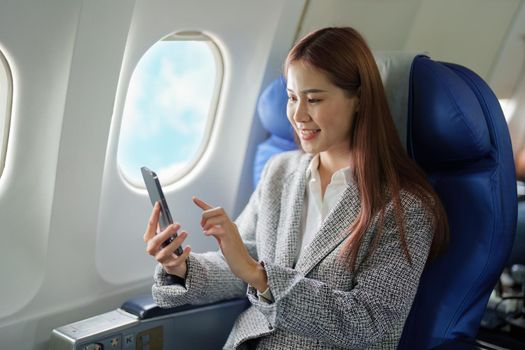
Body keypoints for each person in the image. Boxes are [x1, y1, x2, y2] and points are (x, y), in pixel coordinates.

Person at [144, 27, 449, 349]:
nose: (298, 115)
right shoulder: (281, 170)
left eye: (314, 99)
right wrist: (182, 266)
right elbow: (243, 263)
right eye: (292, 98)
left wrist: (258, 274)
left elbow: (368, 322)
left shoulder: (406, 206)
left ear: (359, 99)